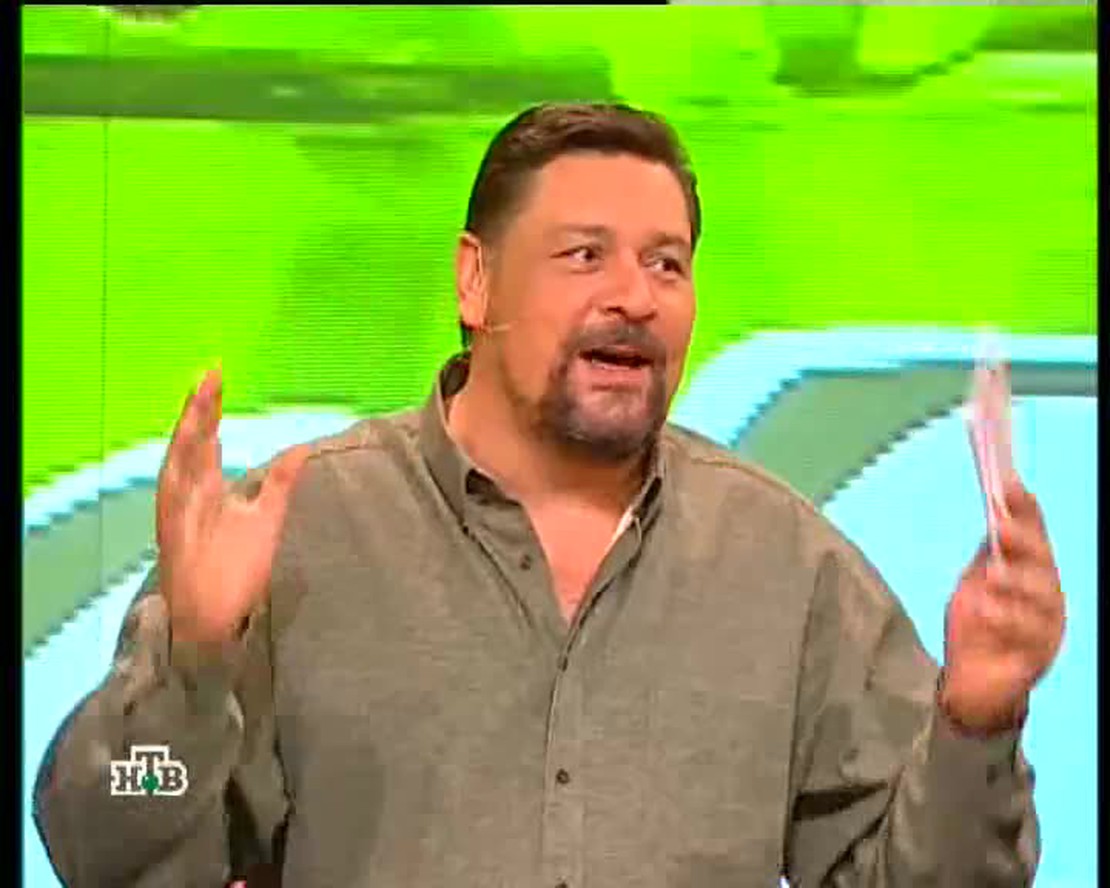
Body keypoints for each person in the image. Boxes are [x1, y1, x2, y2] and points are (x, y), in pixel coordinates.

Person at [34, 103, 1063, 888]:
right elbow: (101, 842)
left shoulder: (786, 565)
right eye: (585, 256)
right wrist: (191, 670)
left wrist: (977, 719)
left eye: (667, 264)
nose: (635, 295)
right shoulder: (297, 534)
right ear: (474, 283)